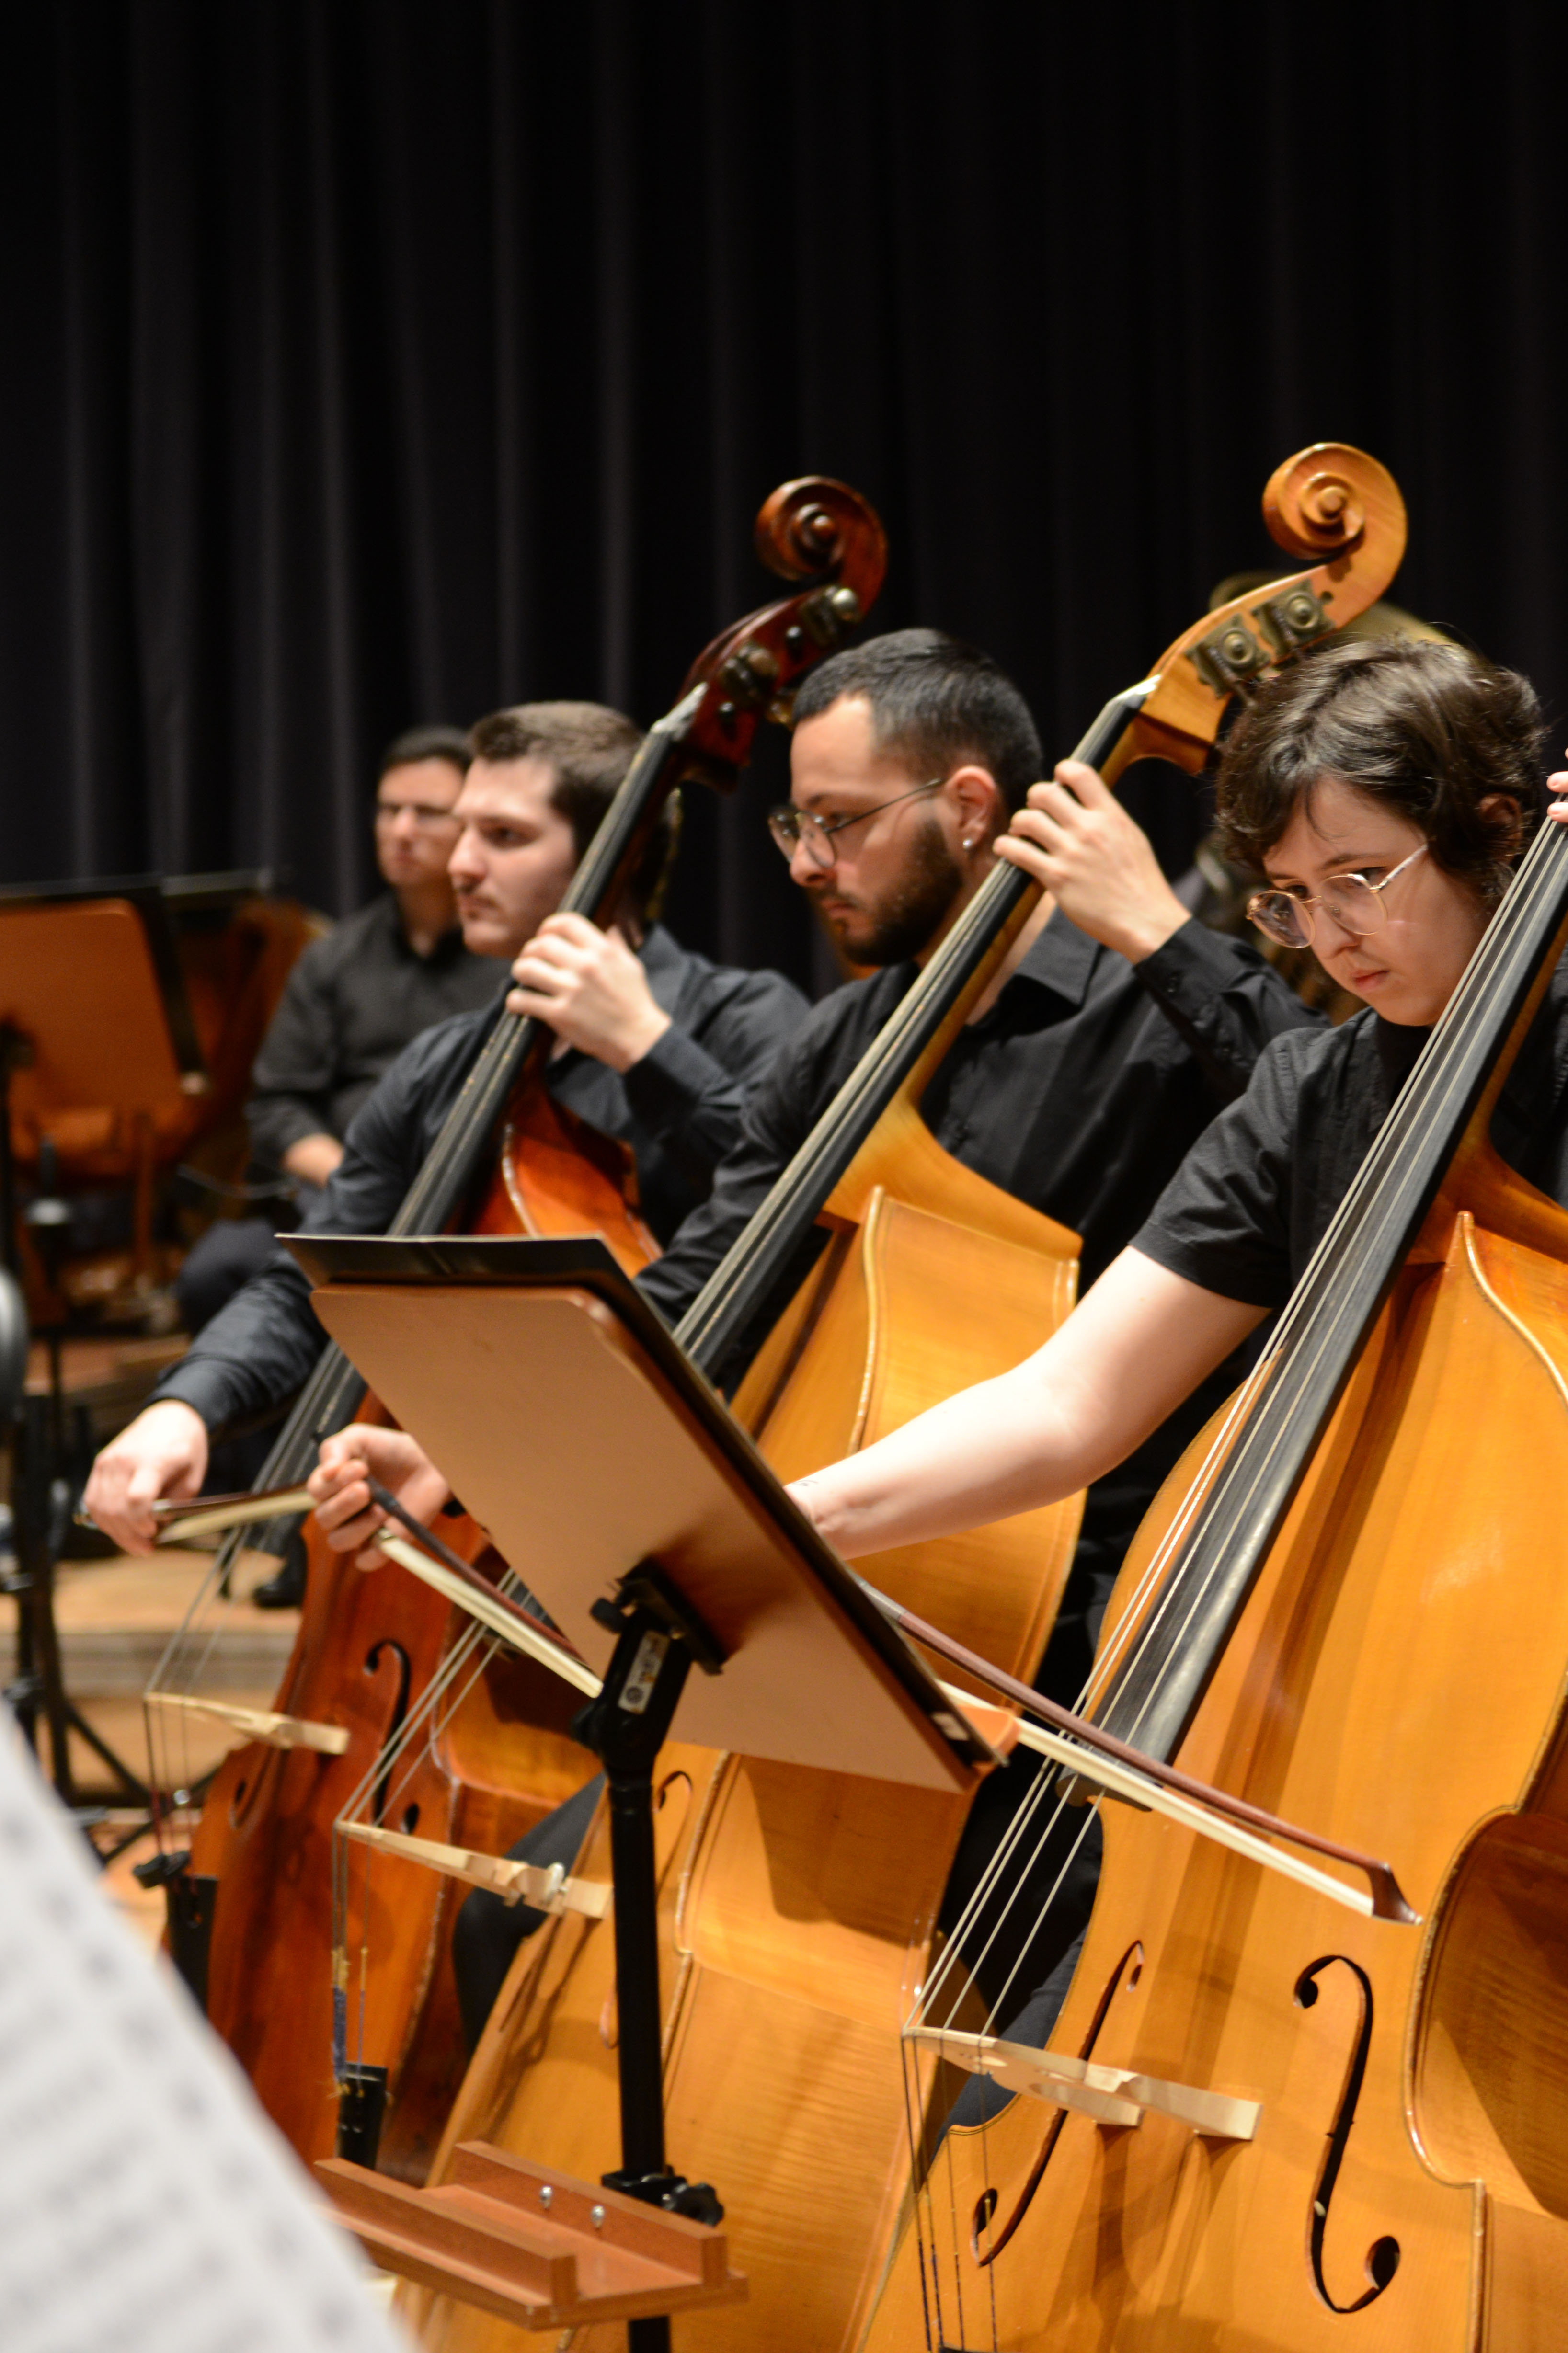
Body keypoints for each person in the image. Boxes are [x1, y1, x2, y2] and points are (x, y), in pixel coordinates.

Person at [783, 636, 1568, 2276]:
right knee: (992, 2173)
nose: (1329, 937)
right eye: (1292, 900)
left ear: (1497, 837)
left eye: (1365, 879)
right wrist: (784, 1518)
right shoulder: (1316, 1092)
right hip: (1328, 1788)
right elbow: (1068, 1406)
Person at [302, 629, 1327, 2034]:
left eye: (839, 821)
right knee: (517, 1931)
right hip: (831, 1616)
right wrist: (465, 1450)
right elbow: (700, 1297)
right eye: (796, 819)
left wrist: (1159, 934)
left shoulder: (1155, 1021)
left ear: (969, 809)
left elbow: (1341, 1143)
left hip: (1077, 1651)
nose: (801, 858)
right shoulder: (840, 1046)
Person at [79, 700, 810, 1571]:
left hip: (679, 1529)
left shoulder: (745, 1019)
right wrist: (185, 1408)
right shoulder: (444, 1065)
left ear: (619, 855)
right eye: (463, 830)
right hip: (455, 1529)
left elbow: (791, 1217)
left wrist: (645, 1052)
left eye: (503, 836)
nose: (459, 863)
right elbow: (315, 1278)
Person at [172, 725, 504, 1328]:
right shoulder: (332, 958)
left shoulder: (513, 953)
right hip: (345, 1198)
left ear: (471, 830)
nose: (401, 830)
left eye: (427, 814)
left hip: (472, 1209)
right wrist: (356, 1177)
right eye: (389, 810)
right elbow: (278, 1104)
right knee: (212, 1273)